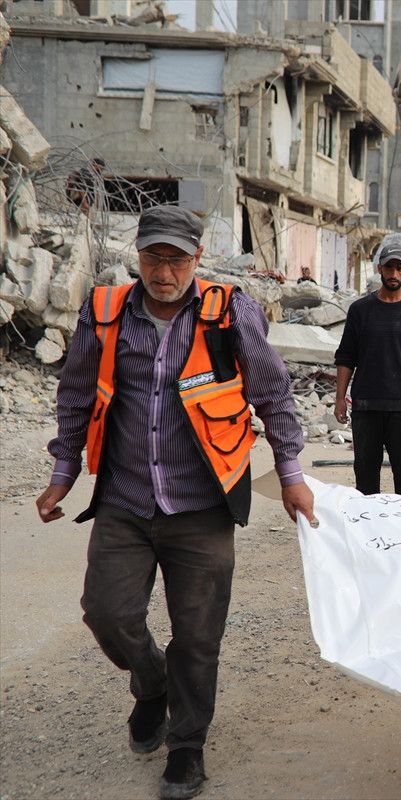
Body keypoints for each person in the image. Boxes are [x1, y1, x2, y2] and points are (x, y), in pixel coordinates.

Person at [35, 204, 316, 800]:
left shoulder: (229, 311)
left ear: (197, 258)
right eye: (153, 258)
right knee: (106, 612)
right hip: (126, 498)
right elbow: (77, 392)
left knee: (198, 634)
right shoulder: (105, 311)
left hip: (202, 503)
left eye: (177, 260)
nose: (164, 272)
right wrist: (63, 471)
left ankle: (187, 746)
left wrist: (291, 475)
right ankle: (152, 682)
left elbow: (272, 393)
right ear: (137, 256)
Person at [334, 240, 401, 497]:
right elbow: (346, 357)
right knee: (366, 479)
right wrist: (340, 399)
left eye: (399, 269)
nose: (394, 274)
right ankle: (368, 524)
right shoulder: (360, 310)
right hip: (367, 407)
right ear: (379, 269)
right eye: (389, 268)